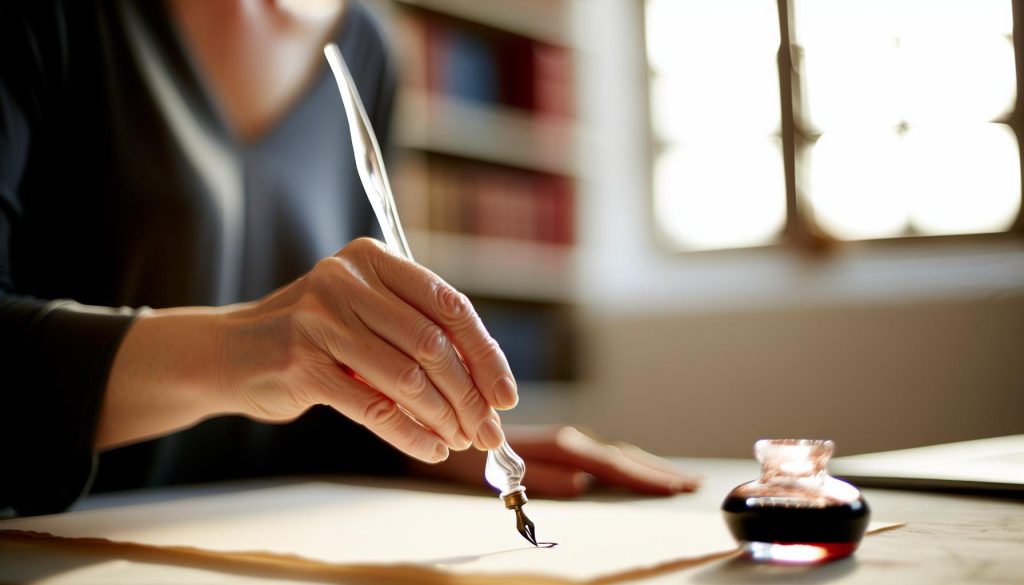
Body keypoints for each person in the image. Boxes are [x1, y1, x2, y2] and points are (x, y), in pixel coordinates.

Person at [0, 0, 699, 518]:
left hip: (269, 532)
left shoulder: (367, 42)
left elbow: (326, 378)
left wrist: (433, 441)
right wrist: (239, 350)